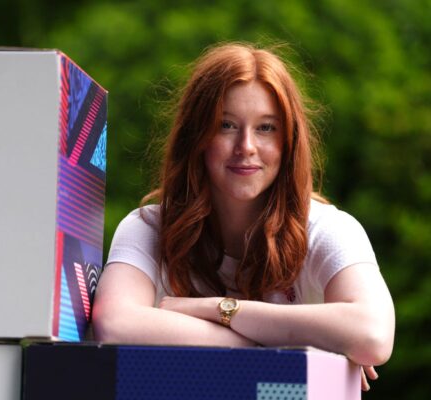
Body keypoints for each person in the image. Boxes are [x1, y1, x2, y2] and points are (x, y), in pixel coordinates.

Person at [92, 42, 395, 391]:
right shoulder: (148, 227)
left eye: (266, 128)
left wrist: (221, 309)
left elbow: (373, 335)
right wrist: (284, 349)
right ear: (196, 138)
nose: (246, 146)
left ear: (289, 142)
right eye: (226, 125)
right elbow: (113, 324)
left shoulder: (328, 229)